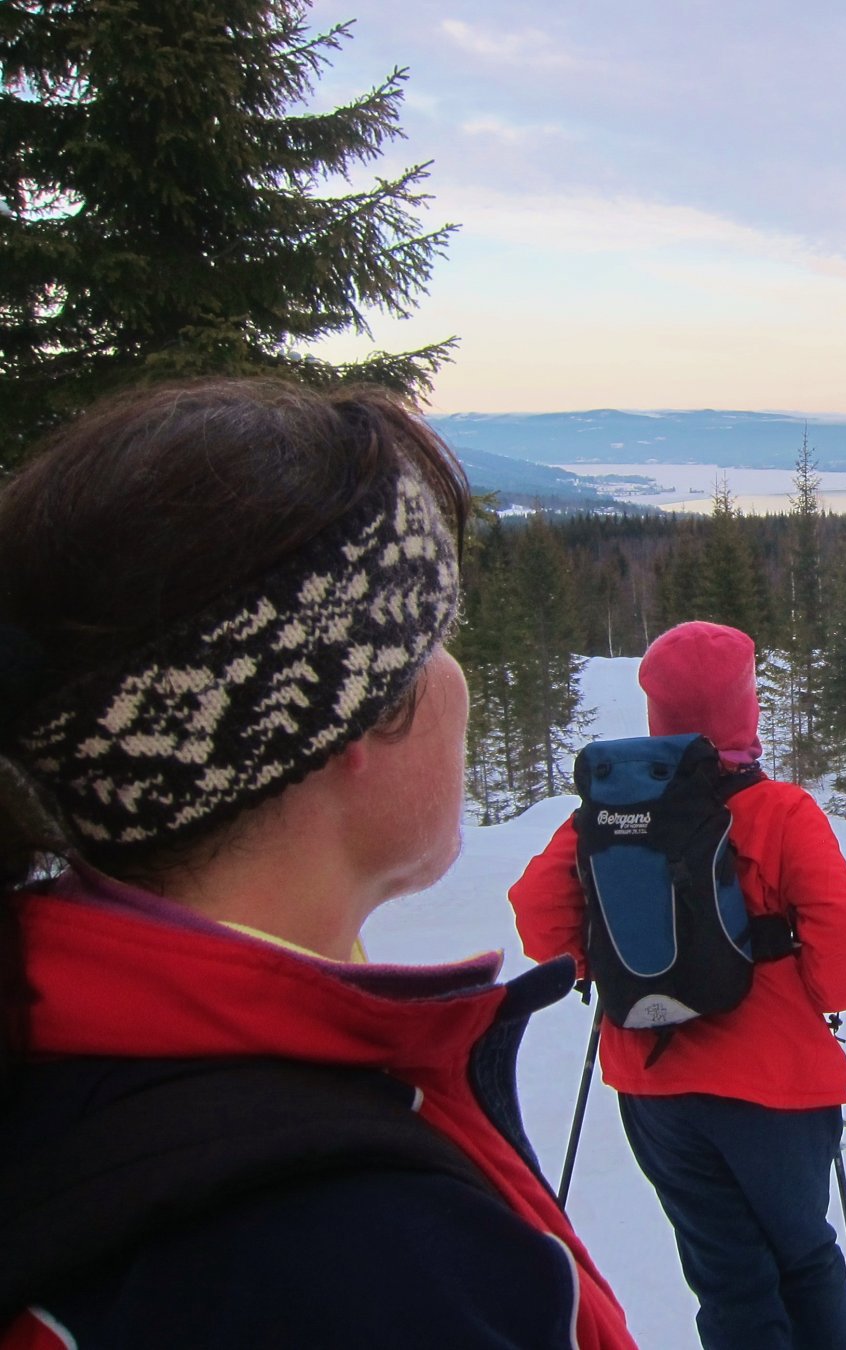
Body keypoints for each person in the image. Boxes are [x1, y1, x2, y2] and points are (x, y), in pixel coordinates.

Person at [0, 379, 636, 1349]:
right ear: (348, 726)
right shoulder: (373, 1266)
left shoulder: (58, 1065)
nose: (456, 678)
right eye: (436, 642)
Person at [510, 620, 846, 1350]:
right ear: (746, 707)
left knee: (728, 1276)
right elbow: (843, 947)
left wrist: (600, 965)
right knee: (804, 1260)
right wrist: (814, 994)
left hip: (653, 1083)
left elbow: (537, 910)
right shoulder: (780, 812)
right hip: (776, 1085)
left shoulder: (607, 814)